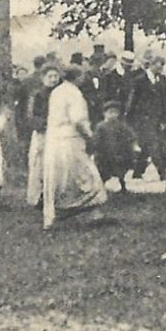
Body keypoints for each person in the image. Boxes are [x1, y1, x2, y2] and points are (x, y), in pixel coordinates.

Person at [40, 65, 109, 230]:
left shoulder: (57, 91)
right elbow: (77, 120)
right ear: (78, 77)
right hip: (70, 139)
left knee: (61, 177)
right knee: (84, 175)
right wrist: (89, 137)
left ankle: (75, 214)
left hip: (54, 139)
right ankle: (75, 212)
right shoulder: (74, 93)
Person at [25, 65, 61, 208]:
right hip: (44, 133)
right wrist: (44, 124)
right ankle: (40, 196)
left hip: (58, 133)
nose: (53, 79)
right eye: (50, 76)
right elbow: (32, 115)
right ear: (43, 78)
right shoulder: (38, 94)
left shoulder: (60, 93)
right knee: (40, 164)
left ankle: (56, 194)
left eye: (55, 76)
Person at [93, 100, 137, 194]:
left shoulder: (121, 125)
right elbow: (96, 140)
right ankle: (101, 188)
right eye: (110, 112)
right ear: (104, 114)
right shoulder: (101, 126)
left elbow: (131, 135)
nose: (113, 115)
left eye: (115, 112)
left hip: (119, 153)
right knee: (103, 172)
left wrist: (132, 144)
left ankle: (123, 186)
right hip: (105, 153)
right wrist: (97, 148)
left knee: (120, 171)